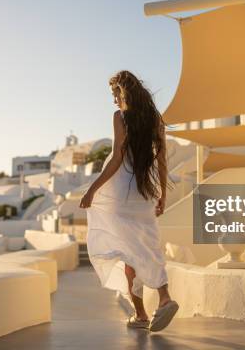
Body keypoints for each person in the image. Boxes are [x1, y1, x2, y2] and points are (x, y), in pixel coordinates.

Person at [79, 70, 179, 332]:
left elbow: (116, 159)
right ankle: (164, 297)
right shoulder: (155, 119)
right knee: (148, 246)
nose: (114, 100)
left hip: (120, 193)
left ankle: (141, 314)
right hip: (145, 193)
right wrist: (163, 195)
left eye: (115, 94)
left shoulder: (120, 117)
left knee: (127, 254)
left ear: (123, 93)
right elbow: (162, 160)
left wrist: (92, 190)